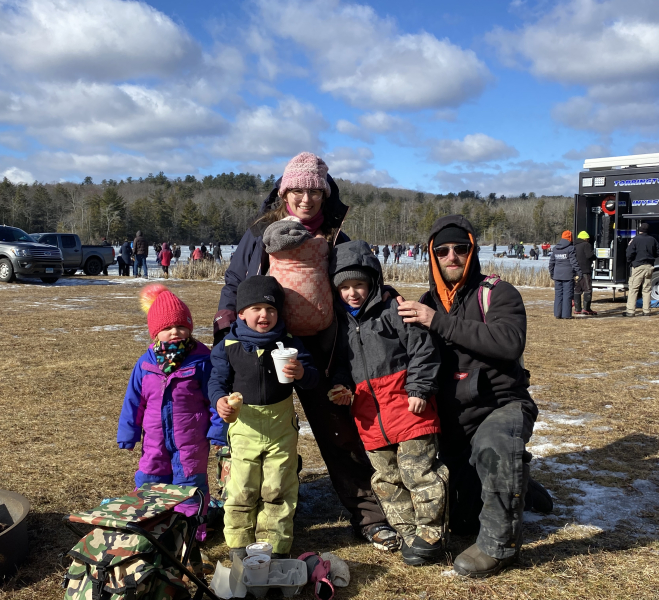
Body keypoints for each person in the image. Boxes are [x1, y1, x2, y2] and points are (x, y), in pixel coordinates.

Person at [213, 151, 398, 552]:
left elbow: (359, 280)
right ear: (284, 193)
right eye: (296, 190)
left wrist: (389, 299)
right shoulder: (260, 231)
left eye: (313, 190)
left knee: (338, 432)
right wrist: (227, 321)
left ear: (325, 194)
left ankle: (369, 515)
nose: (305, 198)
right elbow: (235, 279)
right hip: (260, 345)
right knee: (256, 433)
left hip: (319, 350)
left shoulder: (335, 236)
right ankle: (258, 519)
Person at [394, 215, 540, 578]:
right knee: (461, 521)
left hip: (500, 405)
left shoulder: (497, 292)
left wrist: (437, 322)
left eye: (461, 248)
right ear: (432, 255)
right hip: (453, 419)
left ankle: (499, 548)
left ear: (472, 251)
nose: (452, 256)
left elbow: (508, 343)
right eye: (442, 250)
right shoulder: (427, 301)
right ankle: (519, 485)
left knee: (495, 446)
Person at [328, 241, 446, 566]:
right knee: (386, 479)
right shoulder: (339, 327)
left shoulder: (396, 310)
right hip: (370, 419)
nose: (352, 293)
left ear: (373, 282)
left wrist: (420, 389)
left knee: (419, 473)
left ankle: (431, 534)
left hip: (410, 411)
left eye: (359, 285)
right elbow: (339, 366)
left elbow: (423, 350)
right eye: (345, 287)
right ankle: (410, 534)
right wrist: (341, 387)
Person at [210, 276, 318, 559]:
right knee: (241, 488)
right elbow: (217, 382)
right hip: (244, 427)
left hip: (281, 427)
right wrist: (220, 401)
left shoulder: (289, 343)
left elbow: (313, 379)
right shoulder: (228, 345)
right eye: (256, 308)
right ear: (241, 312)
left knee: (278, 488)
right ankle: (238, 544)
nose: (264, 315)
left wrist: (303, 374)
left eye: (270, 309)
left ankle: (275, 547)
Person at [117, 284, 225, 537]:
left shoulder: (201, 360)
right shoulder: (145, 364)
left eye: (181, 326)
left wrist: (219, 430)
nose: (175, 332)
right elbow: (133, 401)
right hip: (154, 440)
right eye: (167, 328)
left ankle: (189, 537)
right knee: (150, 481)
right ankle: (153, 532)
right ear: (155, 333)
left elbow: (215, 397)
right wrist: (128, 433)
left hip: (191, 441)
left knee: (189, 484)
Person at [625, 222, 659, 317]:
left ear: (639, 230)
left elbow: (629, 253)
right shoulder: (653, 239)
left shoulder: (635, 239)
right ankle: (646, 311)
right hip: (649, 266)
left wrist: (631, 262)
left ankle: (630, 311)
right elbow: (658, 252)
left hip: (638, 266)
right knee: (647, 289)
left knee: (634, 288)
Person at [549, 231, 582, 319]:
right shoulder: (570, 248)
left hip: (557, 274)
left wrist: (552, 273)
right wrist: (578, 271)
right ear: (570, 238)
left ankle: (557, 313)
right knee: (567, 295)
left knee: (558, 295)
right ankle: (566, 314)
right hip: (567, 275)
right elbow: (573, 262)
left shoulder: (556, 248)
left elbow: (551, 262)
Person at [574, 231, 597, 315]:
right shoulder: (586, 245)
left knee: (577, 289)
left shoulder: (575, 245)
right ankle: (586, 308)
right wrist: (595, 256)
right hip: (585, 270)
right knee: (588, 289)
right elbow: (589, 255)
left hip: (576, 271)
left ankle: (577, 308)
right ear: (585, 238)